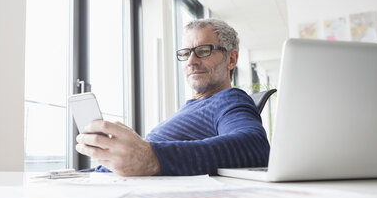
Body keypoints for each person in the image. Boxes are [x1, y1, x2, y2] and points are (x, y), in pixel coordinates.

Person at [76, 18, 270, 176]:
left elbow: (254, 146)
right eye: (186, 54)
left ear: (232, 59)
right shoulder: (192, 107)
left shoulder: (228, 100)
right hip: (96, 178)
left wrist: (152, 159)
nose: (192, 61)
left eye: (203, 51)